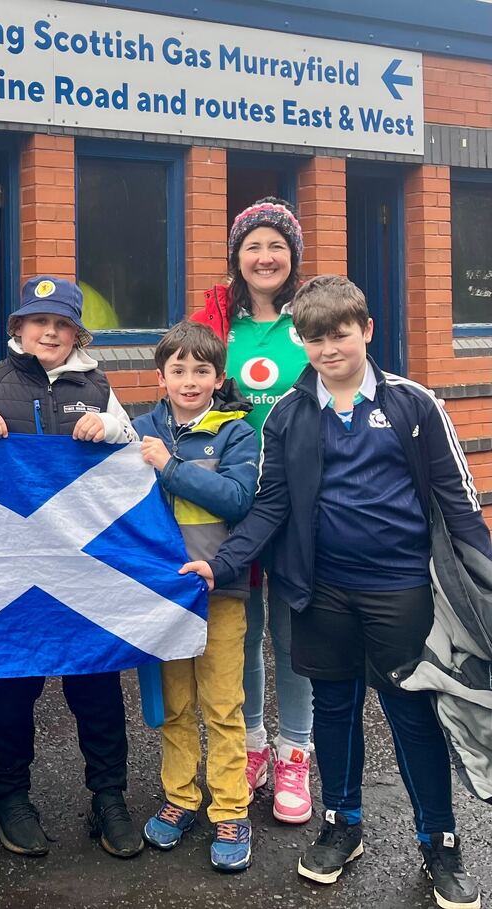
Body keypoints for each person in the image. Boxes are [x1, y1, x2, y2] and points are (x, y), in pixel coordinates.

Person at [183, 276, 489, 908]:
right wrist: (223, 564)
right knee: (335, 710)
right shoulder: (290, 415)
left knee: (411, 715)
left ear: (366, 331)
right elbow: (268, 506)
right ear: (302, 343)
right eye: (315, 339)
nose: (328, 350)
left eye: (339, 335)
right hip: (321, 589)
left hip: (401, 588)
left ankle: (440, 842)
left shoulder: (414, 405)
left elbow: (459, 505)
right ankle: (341, 824)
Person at [0, 276, 142, 859]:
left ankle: (108, 797)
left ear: (76, 332)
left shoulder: (99, 384)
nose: (50, 332)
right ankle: (9, 799)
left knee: (98, 686)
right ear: (19, 328)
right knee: (13, 687)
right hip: (11, 568)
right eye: (39, 322)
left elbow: (134, 460)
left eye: (61, 323)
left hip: (82, 568)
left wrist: (113, 429)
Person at [192, 196, 315, 823]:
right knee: (242, 633)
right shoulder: (217, 323)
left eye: (276, 245)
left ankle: (297, 751)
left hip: (300, 502)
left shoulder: (312, 318)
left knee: (295, 634)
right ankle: (255, 746)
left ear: (292, 255)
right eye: (253, 246)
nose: (265, 257)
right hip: (234, 498)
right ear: (237, 258)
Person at [132, 321, 259, 872]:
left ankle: (231, 807)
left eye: (200, 371)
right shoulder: (137, 429)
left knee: (223, 705)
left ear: (218, 377)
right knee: (175, 706)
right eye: (178, 371)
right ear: (160, 378)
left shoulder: (238, 432)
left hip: (220, 591)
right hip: (160, 596)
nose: (189, 381)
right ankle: (181, 796)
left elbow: (236, 499)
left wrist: (169, 465)